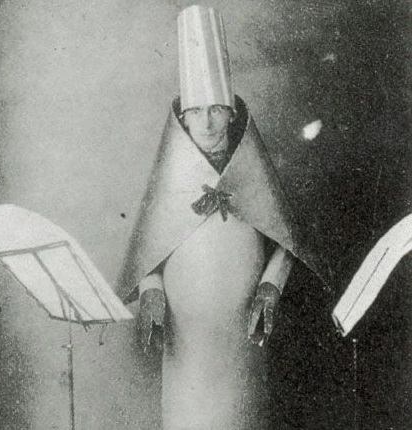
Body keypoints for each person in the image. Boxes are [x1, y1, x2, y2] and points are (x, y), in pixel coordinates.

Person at [117, 5, 308, 429]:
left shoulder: (251, 169)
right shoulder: (170, 174)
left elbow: (285, 240)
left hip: (242, 324)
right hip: (186, 331)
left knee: (241, 413)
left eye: (216, 109)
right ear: (182, 117)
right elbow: (149, 247)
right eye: (196, 110)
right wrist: (151, 291)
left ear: (232, 113)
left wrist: (271, 287)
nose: (206, 121)